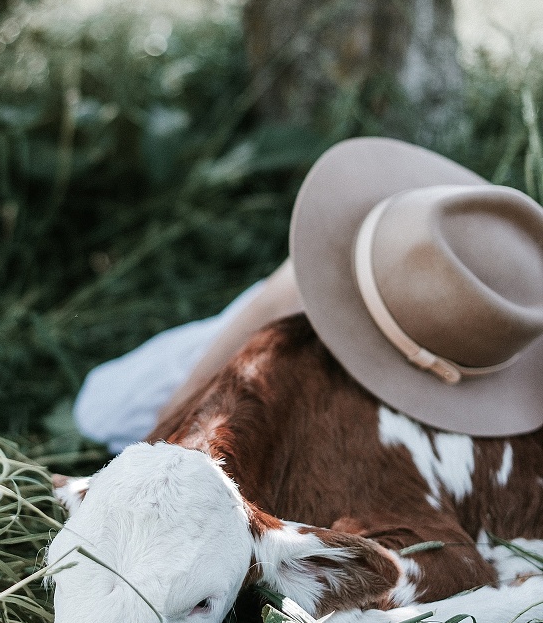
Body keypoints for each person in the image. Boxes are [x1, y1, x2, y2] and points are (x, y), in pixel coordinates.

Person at [74, 136, 543, 451]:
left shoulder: (501, 291)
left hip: (411, 371)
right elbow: (278, 302)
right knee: (106, 411)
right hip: (315, 315)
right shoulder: (305, 300)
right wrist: (170, 427)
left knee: (106, 410)